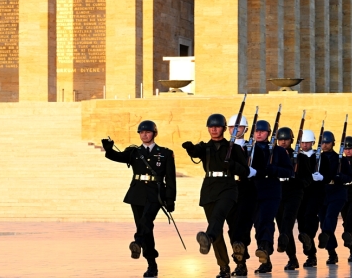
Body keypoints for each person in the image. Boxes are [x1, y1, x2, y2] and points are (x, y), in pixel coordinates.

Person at [101, 120, 177, 278]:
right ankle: (152, 265)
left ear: (154, 134)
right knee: (145, 228)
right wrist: (108, 149)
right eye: (141, 132)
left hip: (155, 193)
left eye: (147, 132)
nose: (144, 135)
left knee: (146, 221)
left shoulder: (165, 153)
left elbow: (170, 178)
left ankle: (137, 242)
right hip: (137, 193)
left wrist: (170, 198)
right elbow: (118, 156)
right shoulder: (134, 152)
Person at [182, 114, 250, 278]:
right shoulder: (205, 147)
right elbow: (195, 153)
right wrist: (190, 148)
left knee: (222, 220)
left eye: (217, 127)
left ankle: (239, 261)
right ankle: (223, 267)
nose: (213, 129)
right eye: (211, 127)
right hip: (209, 189)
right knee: (216, 227)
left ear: (224, 129)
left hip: (228, 187)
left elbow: (245, 171)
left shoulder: (233, 148)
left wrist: (232, 165)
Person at [247, 120, 293, 273]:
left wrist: (275, 169)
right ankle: (265, 259)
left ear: (268, 133)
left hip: (272, 190)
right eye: (256, 131)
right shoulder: (249, 149)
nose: (259, 133)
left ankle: (264, 247)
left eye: (262, 131)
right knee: (258, 224)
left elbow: (288, 172)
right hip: (254, 191)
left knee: (266, 220)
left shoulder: (278, 151)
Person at [274, 127, 311, 270]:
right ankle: (292, 258)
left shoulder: (301, 157)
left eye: (286, 139)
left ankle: (283, 239)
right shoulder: (273, 155)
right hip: (277, 190)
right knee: (281, 222)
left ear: (291, 140)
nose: (283, 142)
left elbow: (307, 178)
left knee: (288, 219)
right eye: (281, 140)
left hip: (294, 191)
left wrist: (299, 183)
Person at [314, 131, 352, 265]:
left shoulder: (340, 159)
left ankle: (325, 234)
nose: (324, 145)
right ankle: (332, 253)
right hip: (322, 193)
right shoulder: (317, 158)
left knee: (330, 217)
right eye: (323, 143)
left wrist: (338, 177)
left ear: (333, 144)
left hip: (337, 193)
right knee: (324, 220)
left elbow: (349, 177)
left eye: (327, 143)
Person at [225, 114, 257, 276]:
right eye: (231, 127)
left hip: (247, 190)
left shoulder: (253, 147)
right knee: (232, 229)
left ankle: (240, 262)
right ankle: (240, 259)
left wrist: (254, 172)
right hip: (230, 189)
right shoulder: (225, 147)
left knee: (243, 227)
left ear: (245, 129)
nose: (234, 130)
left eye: (238, 127)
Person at [295, 129, 323, 268]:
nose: (304, 145)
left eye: (307, 142)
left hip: (315, 193)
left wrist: (321, 177)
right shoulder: (297, 157)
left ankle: (309, 239)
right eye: (302, 142)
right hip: (300, 192)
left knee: (310, 216)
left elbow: (328, 173)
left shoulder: (319, 157)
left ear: (313, 142)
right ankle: (310, 251)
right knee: (301, 222)